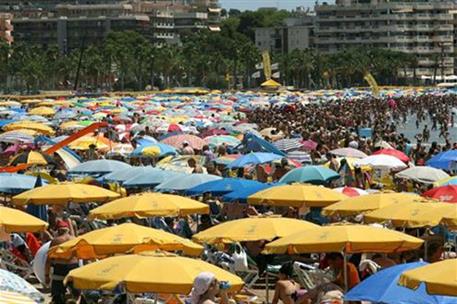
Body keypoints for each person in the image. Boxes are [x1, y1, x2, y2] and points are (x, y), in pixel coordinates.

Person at [46, 220, 80, 304]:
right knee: (76, 294)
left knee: (57, 296)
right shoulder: (75, 239)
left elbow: (48, 260)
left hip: (60, 267)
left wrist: (46, 275)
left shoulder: (56, 241)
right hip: (74, 266)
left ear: (59, 231)